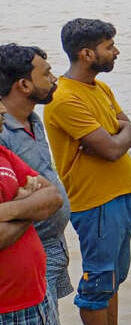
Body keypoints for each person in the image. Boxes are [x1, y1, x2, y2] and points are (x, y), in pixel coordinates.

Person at [43, 18, 131, 325]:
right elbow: (112, 148)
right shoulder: (65, 98)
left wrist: (118, 134)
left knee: (113, 278)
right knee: (97, 283)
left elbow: (129, 131)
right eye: (109, 47)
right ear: (86, 53)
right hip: (96, 203)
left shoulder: (100, 88)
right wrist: (116, 135)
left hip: (123, 195)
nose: (116, 52)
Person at [0, 45, 73, 309]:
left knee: (49, 321)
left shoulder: (33, 120)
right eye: (47, 73)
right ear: (24, 85)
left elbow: (40, 185)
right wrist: (35, 203)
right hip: (27, 251)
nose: (54, 79)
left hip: (54, 244)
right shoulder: (3, 135)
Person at [0, 137, 66, 325]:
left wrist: (13, 208)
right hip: (4, 312)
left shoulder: (3, 154)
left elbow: (53, 196)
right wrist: (30, 206)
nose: (2, 111)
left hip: (38, 297)